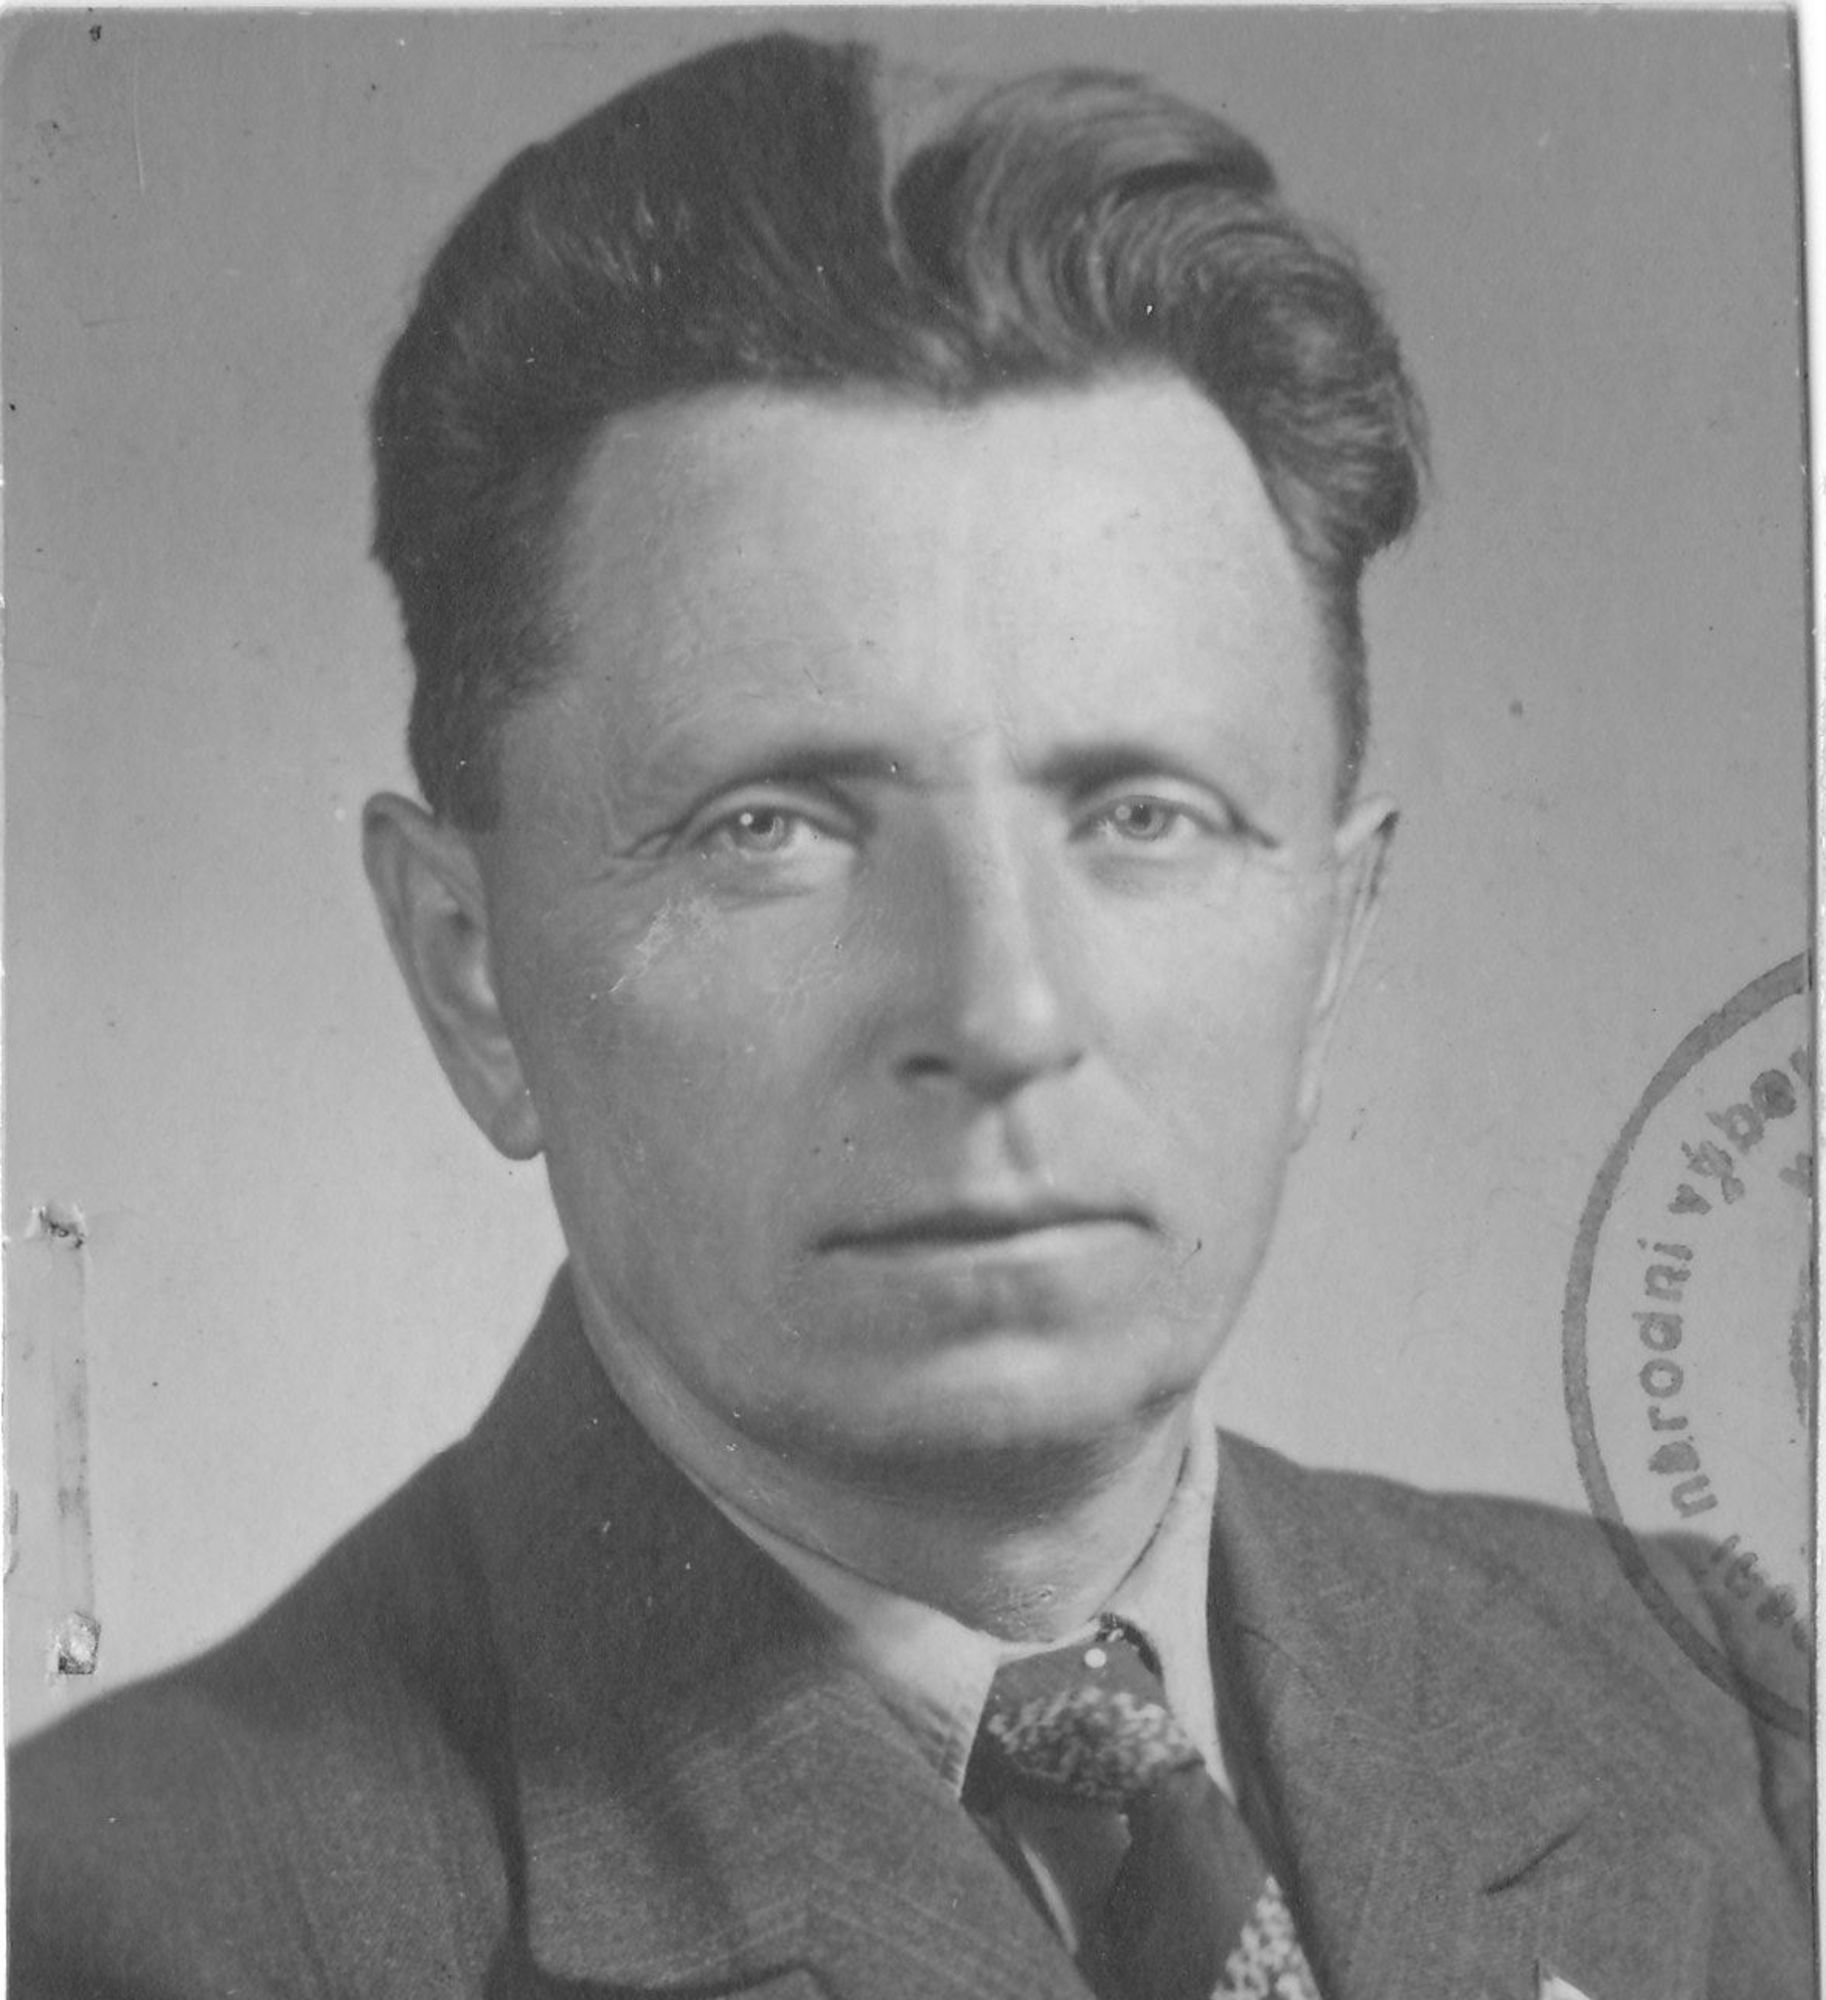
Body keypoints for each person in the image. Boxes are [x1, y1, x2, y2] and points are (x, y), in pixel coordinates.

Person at [9, 31, 1810, 2000]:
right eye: (769, 825)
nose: (1001, 1009)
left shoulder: (1704, 1724)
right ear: (468, 965)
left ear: (1332, 940)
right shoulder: (129, 1918)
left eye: (1142, 814)